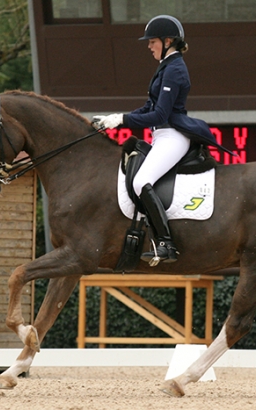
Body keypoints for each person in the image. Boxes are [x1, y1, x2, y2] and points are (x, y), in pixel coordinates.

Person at [94, 15, 228, 266]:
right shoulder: (166, 66)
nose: (149, 46)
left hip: (172, 135)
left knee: (141, 181)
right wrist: (114, 118)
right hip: (162, 135)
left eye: (153, 41)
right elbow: (148, 106)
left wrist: (122, 120)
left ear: (168, 41)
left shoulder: (175, 69)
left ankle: (166, 243)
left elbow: (159, 114)